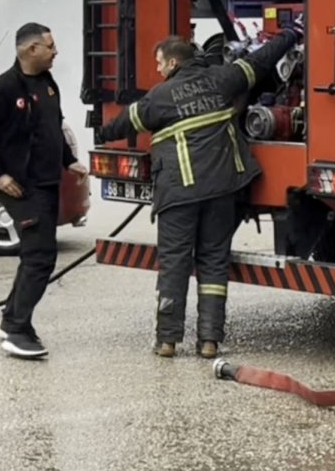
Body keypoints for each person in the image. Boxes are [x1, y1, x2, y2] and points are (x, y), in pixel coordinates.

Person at [96, 22, 304, 359]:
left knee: (175, 264)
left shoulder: (158, 98)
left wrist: (101, 134)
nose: (158, 69)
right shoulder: (222, 79)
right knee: (213, 263)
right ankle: (209, 341)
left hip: (179, 195)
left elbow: (122, 124)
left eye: (160, 63)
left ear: (174, 63)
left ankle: (167, 340)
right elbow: (263, 60)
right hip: (223, 190)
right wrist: (291, 35)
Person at [0, 22, 88, 359]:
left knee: (37, 257)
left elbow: (52, 127)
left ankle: (11, 321)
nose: (56, 51)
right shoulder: (3, 89)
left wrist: (69, 160)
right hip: (21, 185)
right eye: (50, 46)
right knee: (39, 257)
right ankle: (17, 331)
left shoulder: (47, 84)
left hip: (46, 181)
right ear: (30, 49)